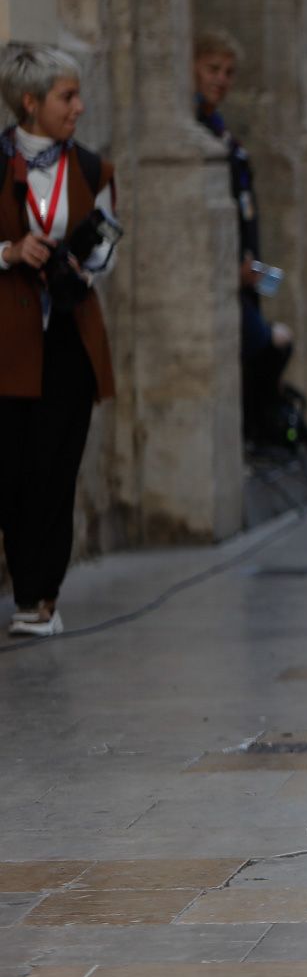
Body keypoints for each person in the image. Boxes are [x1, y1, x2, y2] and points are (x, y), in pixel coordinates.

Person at [1, 43, 121, 637]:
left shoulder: (94, 167)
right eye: (66, 97)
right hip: (9, 340)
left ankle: (39, 598)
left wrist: (86, 267)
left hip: (70, 336)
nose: (78, 107)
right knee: (11, 469)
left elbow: (107, 245)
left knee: (55, 467)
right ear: (31, 102)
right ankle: (24, 582)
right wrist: (8, 251)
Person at [193, 30, 295, 450]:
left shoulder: (223, 134)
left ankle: (266, 427)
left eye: (229, 72)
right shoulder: (198, 129)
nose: (221, 79)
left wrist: (254, 268)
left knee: (279, 310)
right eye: (212, 69)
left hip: (246, 271)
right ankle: (256, 429)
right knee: (271, 342)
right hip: (223, 276)